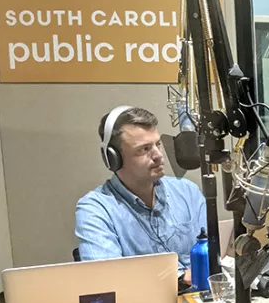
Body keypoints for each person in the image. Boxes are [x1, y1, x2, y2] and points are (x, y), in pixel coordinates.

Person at [75, 106, 206, 287]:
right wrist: (179, 279)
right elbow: (104, 281)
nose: (159, 155)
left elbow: (214, 253)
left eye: (157, 144)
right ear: (114, 159)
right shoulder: (95, 209)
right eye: (144, 149)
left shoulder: (187, 191)